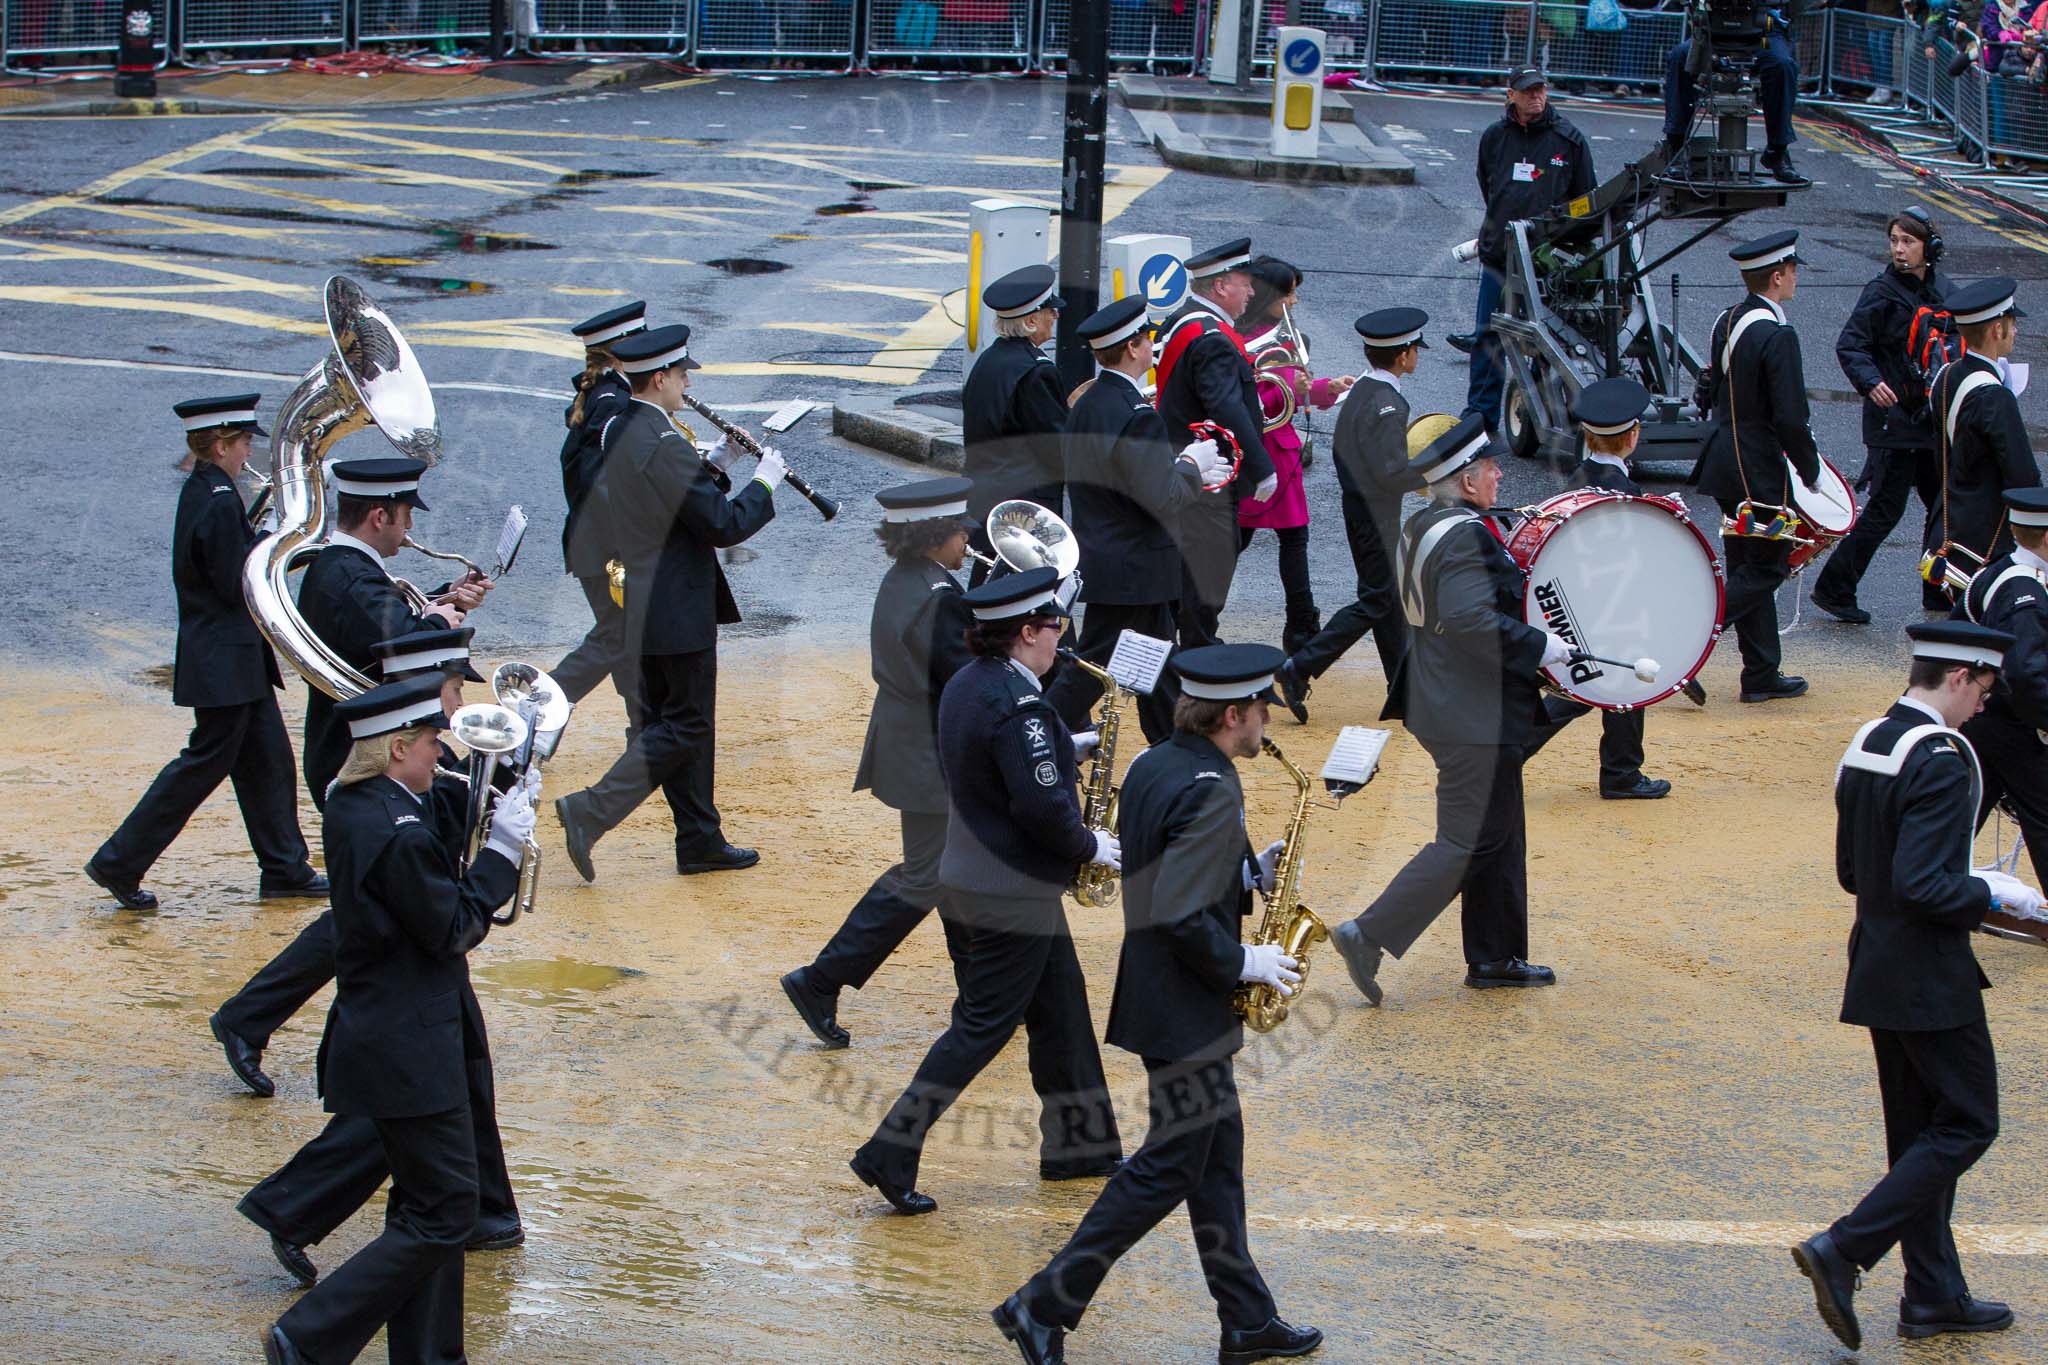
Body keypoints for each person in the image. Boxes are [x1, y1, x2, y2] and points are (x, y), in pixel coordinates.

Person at [993, 643, 1323, 1365]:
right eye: (1262, 706)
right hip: (1188, 1006)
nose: (1268, 718)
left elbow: (1162, 858)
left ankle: (1246, 1317)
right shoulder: (1213, 785)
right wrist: (1247, 957)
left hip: (1155, 995)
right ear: (1230, 714)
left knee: (1217, 1158)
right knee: (1170, 1165)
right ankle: (1041, 1304)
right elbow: (1179, 911)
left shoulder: (1158, 763)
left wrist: (1245, 872)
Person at [232, 631, 524, 1293]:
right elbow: (446, 904)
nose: (454, 715)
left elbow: (443, 812)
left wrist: (507, 776)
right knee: (416, 1100)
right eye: (450, 695)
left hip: (411, 985)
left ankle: (484, 1212)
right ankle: (306, 1208)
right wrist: (502, 855)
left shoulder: (395, 786)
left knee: (459, 1077)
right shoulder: (384, 810)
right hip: (405, 989)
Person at [849, 567, 1123, 1215]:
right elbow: (1043, 810)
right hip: (1011, 896)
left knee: (1062, 1011)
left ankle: (1081, 1146)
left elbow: (998, 760)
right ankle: (889, 1150)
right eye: (1055, 626)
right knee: (978, 1028)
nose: (1062, 637)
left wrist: (1065, 744)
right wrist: (1092, 845)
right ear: (1026, 632)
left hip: (969, 880)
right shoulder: (1019, 705)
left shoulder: (972, 684)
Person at [1792, 620, 2029, 1353]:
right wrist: (1990, 894)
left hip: (1877, 960)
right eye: (1984, 690)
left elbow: (1853, 874)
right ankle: (1846, 1246)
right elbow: (1926, 884)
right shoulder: (1939, 755)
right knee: (1967, 1122)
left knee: (1918, 1136)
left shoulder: (1870, 738)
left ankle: (1931, 1292)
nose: (1984, 707)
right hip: (1928, 971)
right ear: (1960, 677)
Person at [1328, 416, 1570, 1005]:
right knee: (1470, 840)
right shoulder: (1465, 534)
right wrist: (1541, 645)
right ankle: (1370, 932)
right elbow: (1465, 619)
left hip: (1449, 698)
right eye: (1489, 468)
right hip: (1469, 709)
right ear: (1465, 481)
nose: (1498, 474)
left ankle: (1495, 955)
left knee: (1500, 832)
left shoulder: (1427, 523)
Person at [210, 628, 486, 1099]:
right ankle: (248, 1018)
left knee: (366, 919)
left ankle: (247, 1017)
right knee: (368, 921)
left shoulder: (421, 734)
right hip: (365, 791)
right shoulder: (399, 732)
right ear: (426, 681)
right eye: (455, 689)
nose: (460, 704)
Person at [553, 323, 786, 881]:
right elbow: (721, 524)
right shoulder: (660, 439)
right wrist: (765, 484)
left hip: (640, 597)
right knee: (683, 726)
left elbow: (670, 504)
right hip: (675, 606)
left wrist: (715, 466)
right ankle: (592, 809)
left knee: (673, 725)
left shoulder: (625, 430)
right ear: (659, 378)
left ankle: (699, 839)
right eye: (682, 375)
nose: (686, 384)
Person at [85, 394, 325, 912]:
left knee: (268, 763)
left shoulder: (211, 490)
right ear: (219, 445)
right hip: (225, 660)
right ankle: (119, 862)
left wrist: (266, 541)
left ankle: (285, 868)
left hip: (232, 659)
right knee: (201, 767)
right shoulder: (217, 499)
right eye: (242, 444)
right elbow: (237, 581)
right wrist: (286, 547)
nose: (247, 454)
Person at [779, 477, 979, 1049]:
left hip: (910, 741)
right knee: (927, 873)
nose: (967, 538)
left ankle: (982, 994)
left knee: (951, 872)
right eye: (959, 530)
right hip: (929, 752)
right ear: (935, 536)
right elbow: (962, 676)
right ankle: (820, 979)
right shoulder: (939, 596)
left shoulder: (911, 580)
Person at [1045, 294, 1225, 744]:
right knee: (1096, 667)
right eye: (1147, 339)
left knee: (1159, 662)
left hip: (1114, 559)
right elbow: (1160, 497)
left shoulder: (1090, 403)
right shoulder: (1137, 416)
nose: (1152, 346)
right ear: (1131, 349)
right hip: (1137, 563)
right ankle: (1031, 732)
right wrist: (1191, 466)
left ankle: (1173, 747)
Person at [296, 457, 488, 806]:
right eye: (406, 515)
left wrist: (449, 596)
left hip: (353, 746)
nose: (410, 526)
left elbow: (388, 622)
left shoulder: (339, 565)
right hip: (367, 760)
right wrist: (441, 621)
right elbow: (411, 649)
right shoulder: (357, 581)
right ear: (380, 517)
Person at [1522, 379, 1675, 800]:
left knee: (1594, 683)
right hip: (1614, 605)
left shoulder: (1581, 473)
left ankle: (1619, 769)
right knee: (1607, 684)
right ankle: (1620, 772)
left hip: (1584, 596)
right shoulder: (1622, 490)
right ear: (1633, 436)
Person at [1275, 307, 1428, 725]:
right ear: (1402, 357)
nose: (1417, 356)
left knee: (1388, 599)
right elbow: (1392, 473)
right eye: (1415, 350)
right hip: (1377, 514)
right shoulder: (1389, 404)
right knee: (1377, 599)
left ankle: (1405, 692)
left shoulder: (1362, 391)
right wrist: (1435, 471)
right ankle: (1301, 666)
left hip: (1359, 508)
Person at [1695, 230, 1821, 704]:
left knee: (1748, 565)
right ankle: (1690, 641)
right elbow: (1790, 416)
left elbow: (1709, 386)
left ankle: (1762, 671)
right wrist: (1810, 472)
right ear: (1776, 275)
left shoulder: (1727, 320)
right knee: (1768, 567)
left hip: (1725, 456)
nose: (1794, 278)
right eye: (1791, 270)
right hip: (1756, 464)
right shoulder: (1777, 334)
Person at [1815, 209, 1952, 621]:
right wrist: (1871, 381)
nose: (1898, 249)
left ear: (1929, 248)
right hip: (1894, 422)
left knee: (1943, 507)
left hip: (1930, 421)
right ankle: (1834, 589)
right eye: (1894, 240)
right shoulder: (1881, 292)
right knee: (1885, 510)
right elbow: (1851, 345)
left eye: (1907, 241)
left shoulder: (1944, 291)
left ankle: (1938, 590)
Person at [1453, 68, 1595, 433]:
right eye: (1528, 91)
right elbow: (1489, 184)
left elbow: (1586, 201)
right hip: (1500, 255)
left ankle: (1537, 412)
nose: (1537, 97)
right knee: (1488, 335)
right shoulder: (1495, 137)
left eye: (1541, 90)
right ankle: (1480, 416)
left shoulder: (1569, 140)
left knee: (1547, 339)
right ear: (1511, 94)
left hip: (1548, 262)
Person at [1153, 238, 1279, 650]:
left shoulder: (1185, 320)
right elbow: (1224, 404)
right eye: (1245, 282)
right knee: (1207, 579)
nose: (1252, 291)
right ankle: (1198, 656)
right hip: (1209, 479)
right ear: (1222, 285)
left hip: (1185, 466)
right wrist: (1261, 466)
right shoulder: (1212, 338)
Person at [1234, 257, 1353, 655]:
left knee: (1280, 539)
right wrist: (1296, 387)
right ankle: (1299, 626)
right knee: (1257, 538)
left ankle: (1300, 622)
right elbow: (1259, 396)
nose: (1294, 300)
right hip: (1263, 450)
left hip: (1277, 450)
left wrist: (1325, 388)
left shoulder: (1280, 337)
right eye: (1288, 292)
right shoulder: (1251, 339)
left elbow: (1294, 388)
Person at [550, 300, 645, 709]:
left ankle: (643, 732)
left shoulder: (601, 394)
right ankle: (538, 706)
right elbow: (601, 483)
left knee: (627, 640)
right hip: (608, 549)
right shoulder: (612, 403)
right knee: (618, 635)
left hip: (595, 546)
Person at [1954, 488, 2048, 900]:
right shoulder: (2024, 592)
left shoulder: (2001, 571)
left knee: (1961, 812)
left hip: (1975, 713)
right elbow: (2027, 676)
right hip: (2006, 719)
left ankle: (1913, 893)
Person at [961, 264, 1069, 585]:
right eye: (1050, 311)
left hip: (989, 498)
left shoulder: (990, 360)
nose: (1056, 316)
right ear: (1031, 320)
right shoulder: (1038, 371)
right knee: (1031, 600)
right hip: (1026, 509)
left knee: (991, 586)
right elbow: (1055, 450)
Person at [1930, 276, 2039, 582]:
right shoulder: (1995, 397)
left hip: (1948, 527)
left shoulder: (1946, 375)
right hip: (1986, 539)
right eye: (2011, 322)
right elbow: (2023, 476)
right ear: (1996, 329)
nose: (2015, 330)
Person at [1658, 0, 1809, 185]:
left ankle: (1777, 151)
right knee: (1679, 58)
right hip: (1714, 29)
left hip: (1762, 29)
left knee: (1783, 66)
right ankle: (1677, 146)